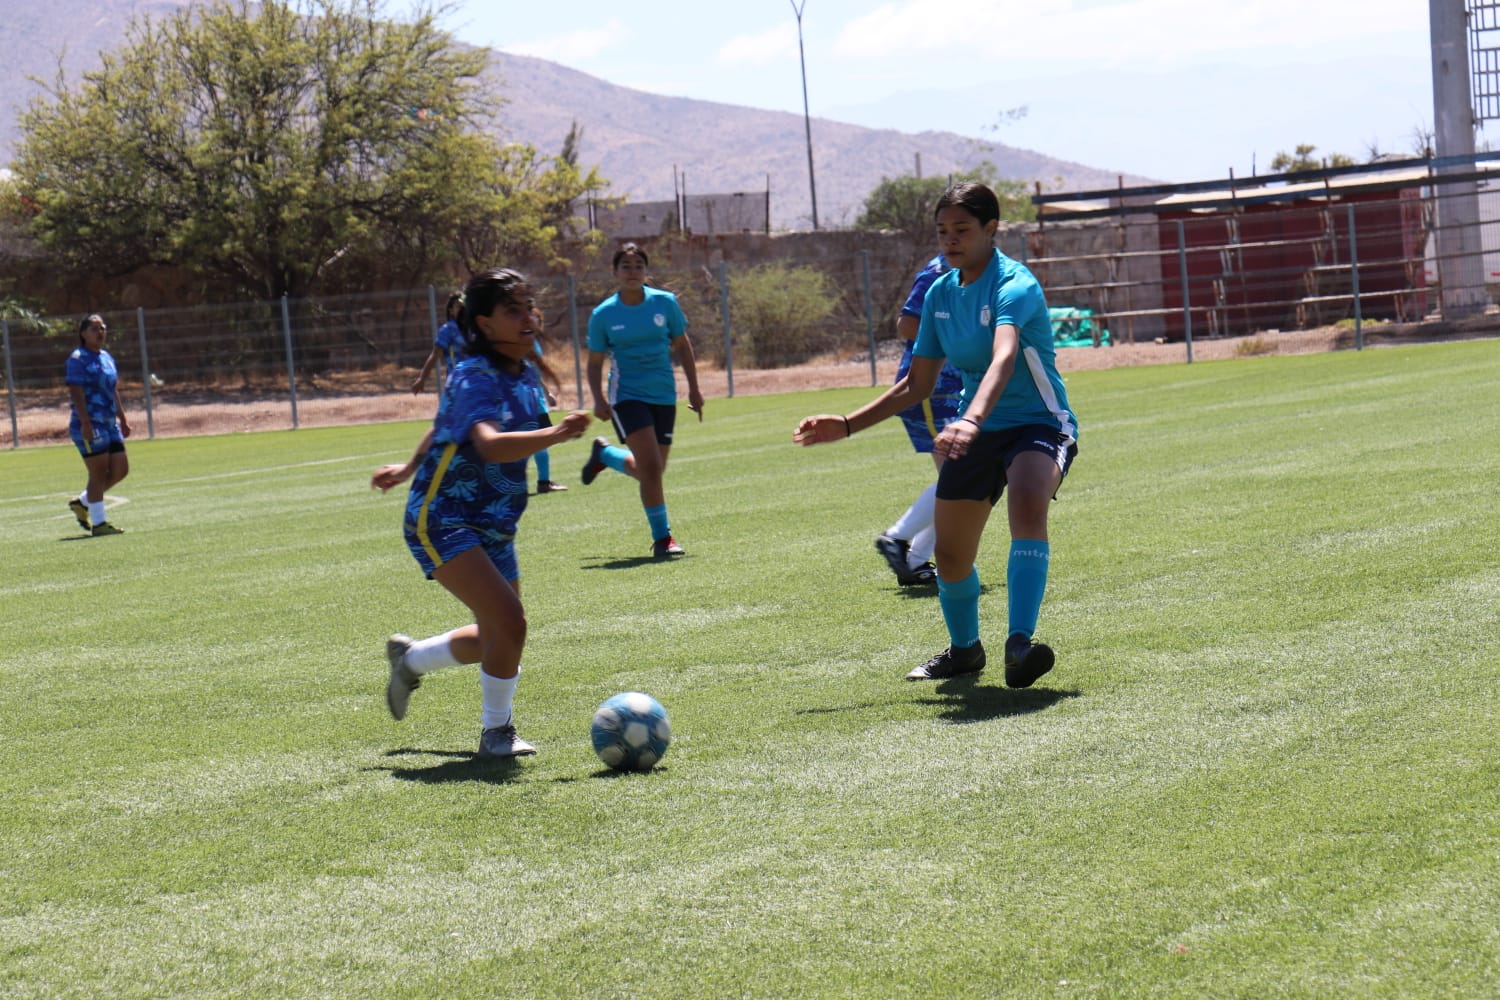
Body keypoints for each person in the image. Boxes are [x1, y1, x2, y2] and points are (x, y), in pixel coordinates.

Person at [794, 182, 1079, 688]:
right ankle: (965, 651)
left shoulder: (1015, 284)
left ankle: (1020, 643)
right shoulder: (941, 293)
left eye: (962, 230)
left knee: (1029, 502)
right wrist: (847, 424)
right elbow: (917, 384)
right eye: (943, 231)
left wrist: (968, 420)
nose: (950, 240)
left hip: (1038, 421)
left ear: (991, 229)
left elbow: (1004, 356)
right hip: (977, 427)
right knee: (950, 554)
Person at [371, 268, 591, 758]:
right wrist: (557, 434)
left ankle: (411, 660)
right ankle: (497, 733)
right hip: (443, 516)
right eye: (511, 310)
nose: (526, 317)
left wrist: (555, 428)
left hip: (496, 523)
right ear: (485, 323)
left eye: (528, 307)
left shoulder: (525, 374)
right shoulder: (473, 373)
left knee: (498, 632)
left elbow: (453, 426)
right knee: (510, 622)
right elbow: (490, 446)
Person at [581, 242, 704, 558]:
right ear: (615, 272)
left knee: (654, 470)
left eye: (638, 266)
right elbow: (594, 363)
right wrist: (597, 399)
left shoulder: (665, 303)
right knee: (650, 466)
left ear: (646, 271)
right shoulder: (604, 314)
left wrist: (694, 388)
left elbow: (683, 344)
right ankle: (663, 539)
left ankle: (605, 454)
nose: (632, 271)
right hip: (626, 396)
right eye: (626, 266)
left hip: (663, 394)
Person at [874, 255, 966, 587]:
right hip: (931, 390)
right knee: (962, 478)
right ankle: (898, 540)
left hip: (955, 389)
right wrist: (956, 339)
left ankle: (912, 559)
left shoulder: (980, 269)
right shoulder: (940, 271)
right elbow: (907, 324)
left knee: (962, 482)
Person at [65, 313, 131, 536]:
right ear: (83, 334)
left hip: (109, 422)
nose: (100, 332)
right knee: (99, 473)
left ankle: (83, 502)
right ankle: (99, 523)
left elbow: (112, 388)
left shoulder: (106, 357)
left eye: (103, 328)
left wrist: (122, 417)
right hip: (90, 423)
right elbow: (76, 391)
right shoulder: (78, 358)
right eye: (94, 328)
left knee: (121, 469)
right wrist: (85, 422)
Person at [530, 325, 567, 494]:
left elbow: (534, 373)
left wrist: (546, 392)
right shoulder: (514, 340)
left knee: (541, 441)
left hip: (536, 398)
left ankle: (544, 482)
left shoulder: (533, 341)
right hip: (522, 398)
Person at [410, 290, 465, 394]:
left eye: (464, 306)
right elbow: (435, 355)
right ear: (451, 311)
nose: (463, 309)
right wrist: (422, 379)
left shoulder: (473, 329)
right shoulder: (448, 330)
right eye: (459, 306)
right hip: (457, 384)